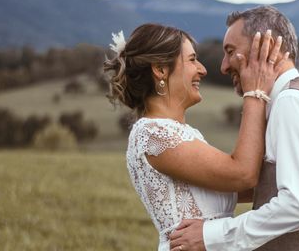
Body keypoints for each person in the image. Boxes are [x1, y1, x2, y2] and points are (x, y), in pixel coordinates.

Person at [170, 5, 299, 251]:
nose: (224, 66)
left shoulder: (291, 102)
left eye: (231, 52)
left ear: (267, 46)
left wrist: (212, 237)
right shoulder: (296, 96)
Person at [103, 22, 287, 251]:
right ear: (160, 69)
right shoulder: (153, 134)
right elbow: (243, 174)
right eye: (191, 60)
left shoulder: (181, 133)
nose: (202, 69)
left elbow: (248, 185)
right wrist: (255, 92)